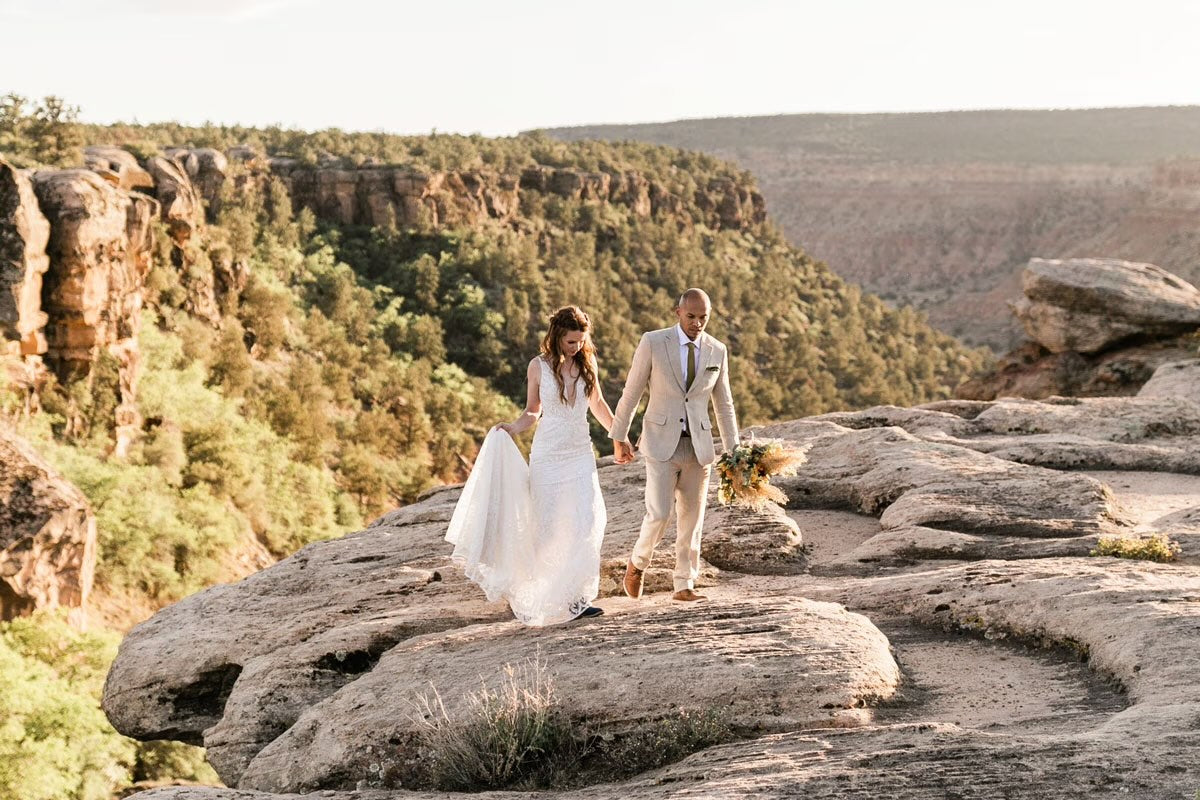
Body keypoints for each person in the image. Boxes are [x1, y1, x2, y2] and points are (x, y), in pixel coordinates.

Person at [445, 305, 616, 624]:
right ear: (556, 337)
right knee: (548, 528)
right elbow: (532, 411)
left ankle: (577, 598)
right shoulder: (538, 367)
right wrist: (511, 427)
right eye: (570, 342)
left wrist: (618, 434)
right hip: (548, 455)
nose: (576, 347)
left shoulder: (587, 363)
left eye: (580, 341)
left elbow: (598, 404)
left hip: (580, 453)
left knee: (587, 521)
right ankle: (539, 594)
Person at [610, 288, 740, 602]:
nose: (697, 323)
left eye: (703, 317)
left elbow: (724, 405)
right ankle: (637, 563)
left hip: (698, 446)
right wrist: (619, 437)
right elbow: (632, 392)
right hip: (659, 442)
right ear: (677, 311)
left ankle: (684, 584)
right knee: (659, 513)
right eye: (691, 316)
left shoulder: (717, 350)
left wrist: (735, 452)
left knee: (692, 518)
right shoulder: (653, 342)